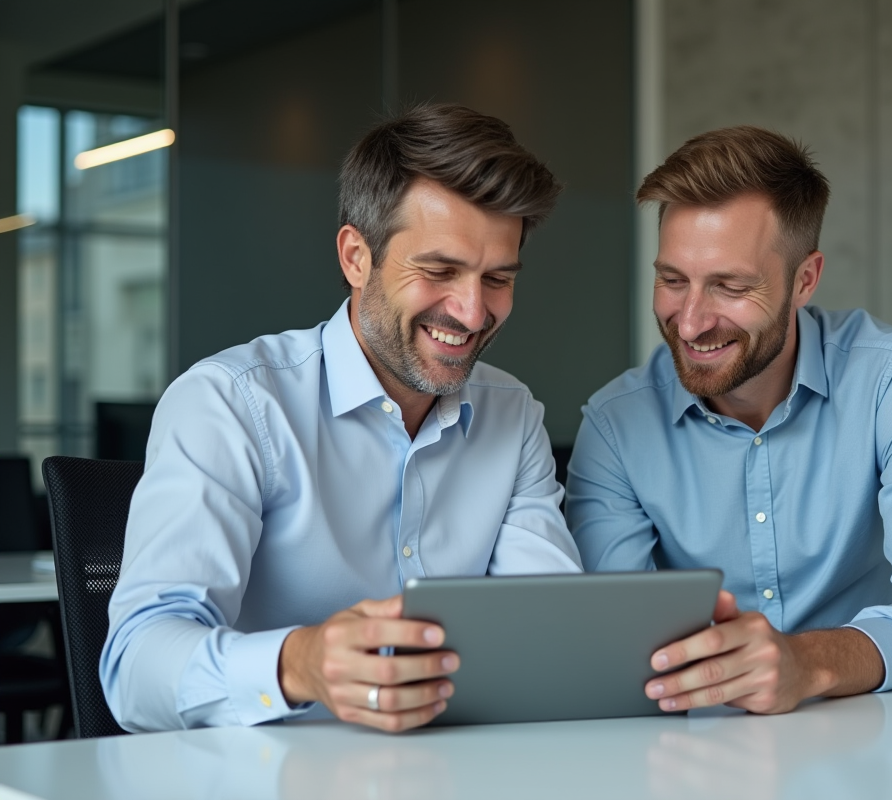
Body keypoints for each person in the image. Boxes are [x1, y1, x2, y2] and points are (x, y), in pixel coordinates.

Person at [102, 104, 582, 734]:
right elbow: (134, 669)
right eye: (439, 271)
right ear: (357, 257)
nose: (471, 311)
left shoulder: (510, 414)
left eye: (497, 278)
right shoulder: (232, 404)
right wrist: (299, 663)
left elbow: (550, 633)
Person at [567, 126, 892, 715]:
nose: (690, 322)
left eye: (730, 286)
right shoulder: (615, 426)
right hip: (696, 755)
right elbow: (610, 647)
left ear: (804, 280)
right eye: (672, 281)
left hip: (874, 744)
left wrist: (809, 663)